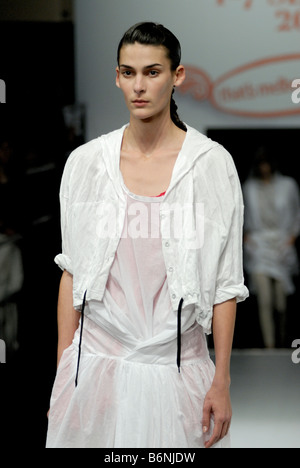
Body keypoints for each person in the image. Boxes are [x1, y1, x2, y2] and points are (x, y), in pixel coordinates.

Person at [46, 22, 248, 449]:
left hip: (178, 369)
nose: (139, 86)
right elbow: (73, 274)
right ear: (117, 76)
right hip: (95, 367)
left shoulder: (211, 165)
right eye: (128, 72)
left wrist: (222, 380)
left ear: (177, 76)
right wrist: (64, 371)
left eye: (152, 72)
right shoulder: (85, 164)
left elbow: (225, 285)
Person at [243, 148, 300, 348]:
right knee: (264, 300)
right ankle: (269, 345)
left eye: (266, 163)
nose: (263, 168)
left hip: (281, 245)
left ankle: (283, 339)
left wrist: (291, 239)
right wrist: (248, 239)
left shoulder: (287, 185)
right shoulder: (249, 187)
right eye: (260, 164)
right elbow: (243, 216)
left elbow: (296, 213)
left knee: (280, 303)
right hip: (259, 246)